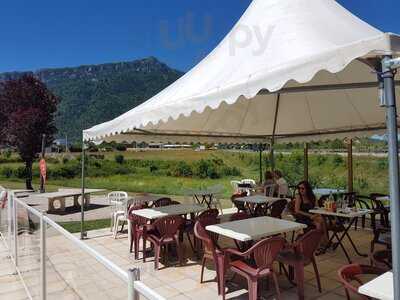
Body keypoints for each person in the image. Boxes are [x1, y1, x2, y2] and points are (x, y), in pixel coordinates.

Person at [294, 181, 329, 247]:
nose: (300, 190)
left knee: (322, 220)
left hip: (313, 216)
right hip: (303, 217)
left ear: (307, 189)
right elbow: (297, 210)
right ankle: (320, 243)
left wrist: (317, 215)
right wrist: (310, 216)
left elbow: (317, 208)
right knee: (319, 223)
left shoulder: (313, 197)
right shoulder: (299, 197)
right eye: (299, 188)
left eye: (302, 188)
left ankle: (324, 242)